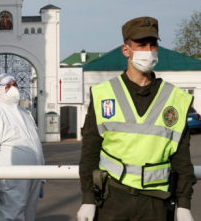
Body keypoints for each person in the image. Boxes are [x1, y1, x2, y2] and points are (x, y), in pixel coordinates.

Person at [77, 17, 197, 221]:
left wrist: (183, 204)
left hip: (156, 203)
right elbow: (90, 151)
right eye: (141, 45)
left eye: (153, 45)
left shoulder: (176, 99)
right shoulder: (104, 94)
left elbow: (182, 159)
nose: (148, 51)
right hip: (111, 200)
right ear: (126, 50)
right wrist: (88, 198)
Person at [0, 73, 45, 221]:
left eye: (15, 85)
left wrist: (43, 176)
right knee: (8, 216)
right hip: (8, 183)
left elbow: (36, 145)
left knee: (29, 215)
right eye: (8, 86)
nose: (13, 89)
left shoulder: (26, 114)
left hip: (33, 179)